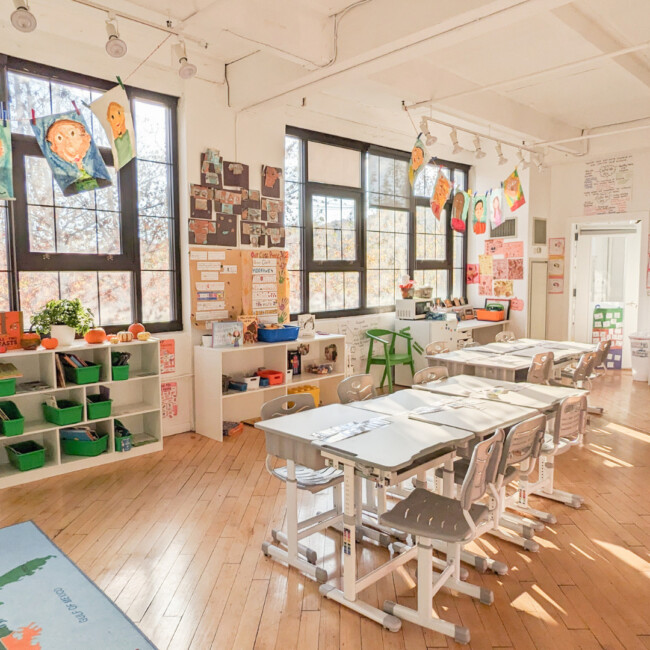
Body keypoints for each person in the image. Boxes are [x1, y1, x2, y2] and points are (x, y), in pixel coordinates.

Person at [45, 118, 98, 192]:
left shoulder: (96, 172)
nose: (69, 145)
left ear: (86, 137)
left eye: (72, 133)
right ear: (54, 148)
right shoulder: (68, 180)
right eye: (59, 138)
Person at [106, 101, 133, 167]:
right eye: (112, 117)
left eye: (119, 113)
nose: (117, 119)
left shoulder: (127, 136)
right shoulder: (117, 140)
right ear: (109, 119)